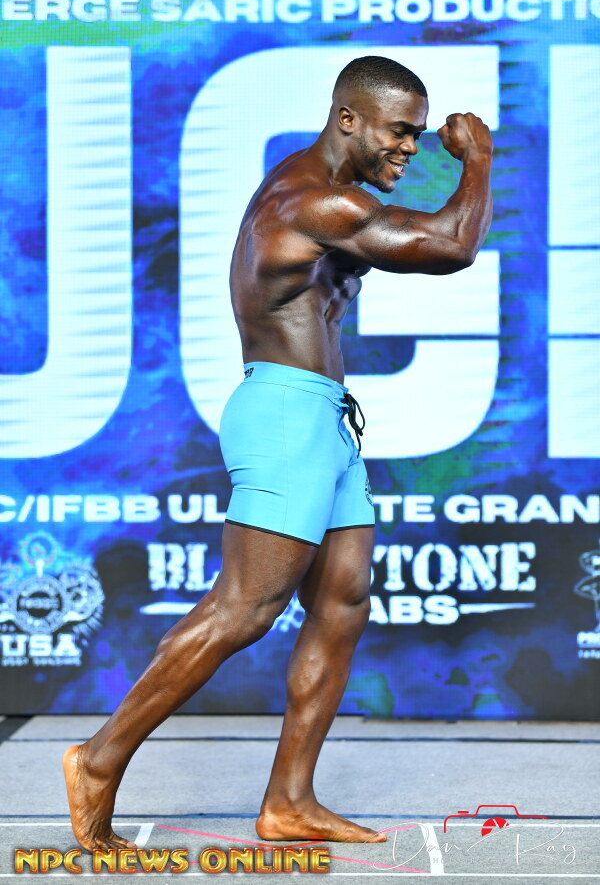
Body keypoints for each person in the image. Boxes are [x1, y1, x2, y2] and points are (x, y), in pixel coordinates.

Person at [63, 55, 493, 850]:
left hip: (326, 419)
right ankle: (97, 760)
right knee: (243, 610)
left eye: (420, 136)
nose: (412, 148)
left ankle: (289, 800)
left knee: (344, 600)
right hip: (285, 415)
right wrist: (479, 160)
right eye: (401, 132)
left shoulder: (333, 193)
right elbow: (452, 245)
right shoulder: (313, 199)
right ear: (349, 119)